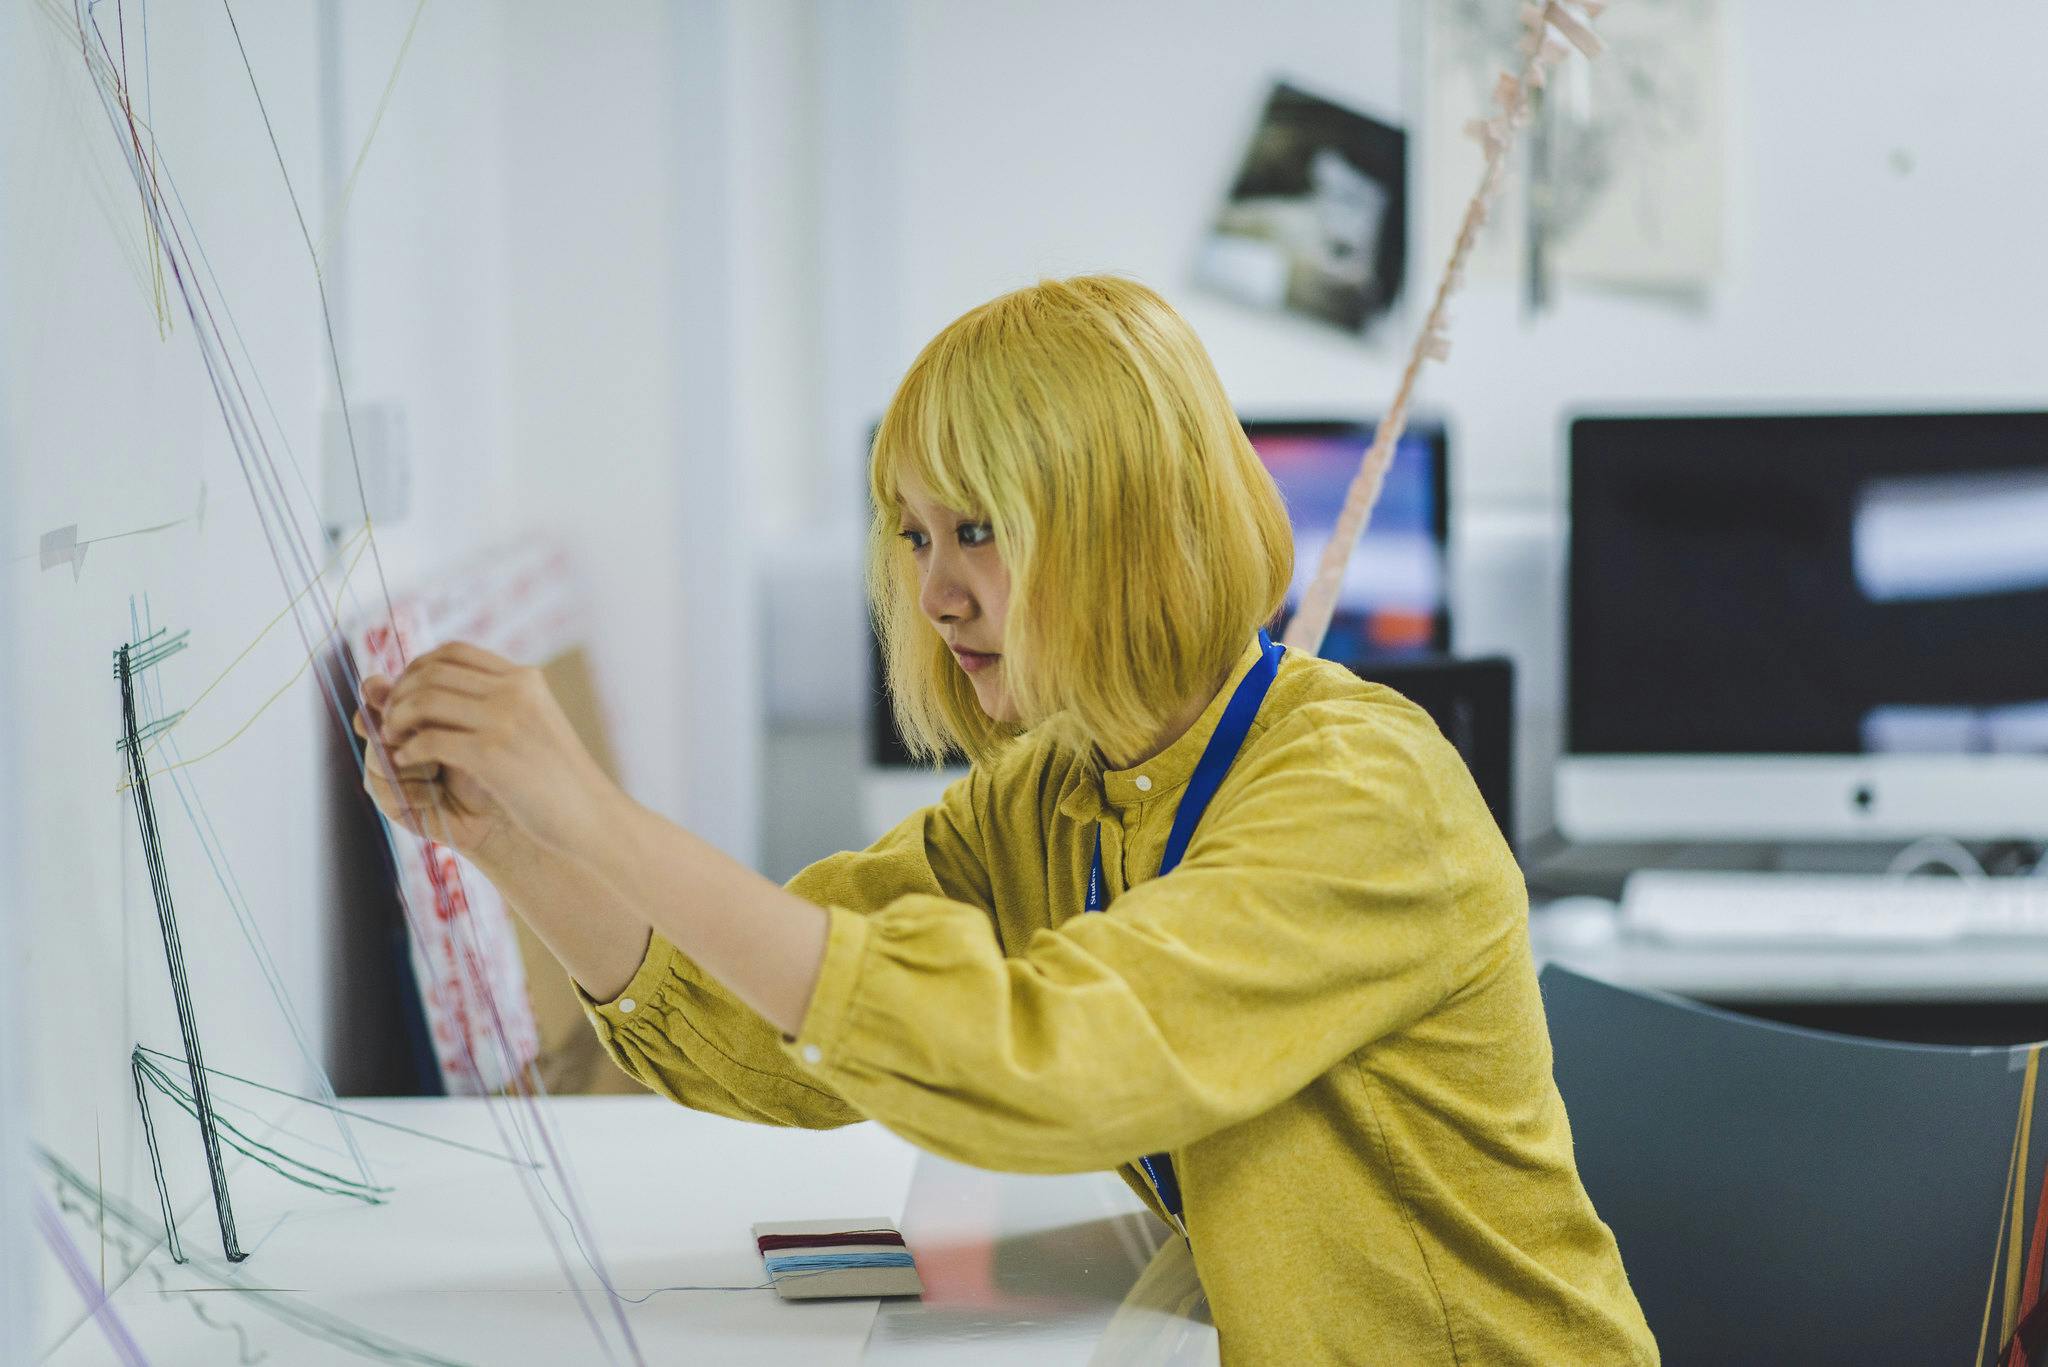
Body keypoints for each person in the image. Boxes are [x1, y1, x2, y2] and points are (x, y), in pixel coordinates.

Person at [355, 275, 1657, 1364]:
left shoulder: (1363, 794)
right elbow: (774, 1030)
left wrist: (598, 809)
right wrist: (524, 843)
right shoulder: (1057, 792)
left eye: (975, 530)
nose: (935, 593)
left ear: (1123, 525)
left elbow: (1044, 1064)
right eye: (913, 536)